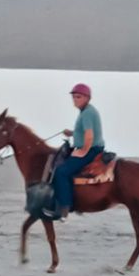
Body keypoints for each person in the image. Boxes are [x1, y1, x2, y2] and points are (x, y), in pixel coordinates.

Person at [49, 83, 105, 219]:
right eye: (74, 97)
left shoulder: (87, 113)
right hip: (89, 147)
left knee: (61, 172)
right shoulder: (86, 111)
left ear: (87, 98)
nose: (75, 100)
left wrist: (83, 151)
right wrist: (73, 133)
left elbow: (90, 135)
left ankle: (64, 207)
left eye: (78, 97)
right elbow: (85, 132)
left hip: (91, 149)